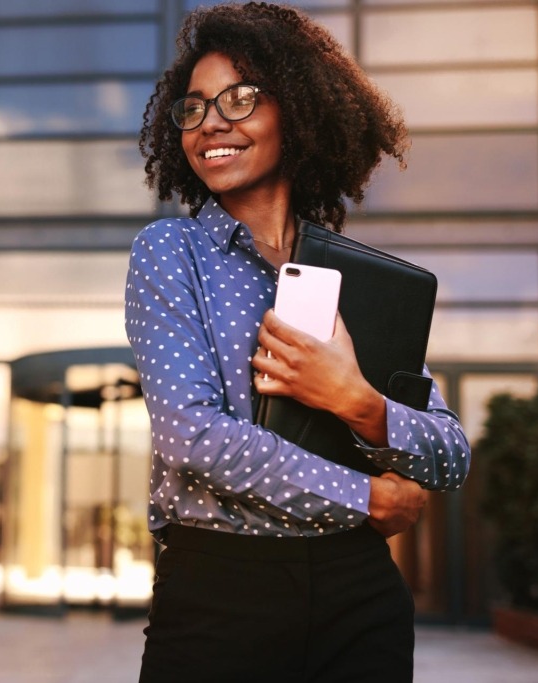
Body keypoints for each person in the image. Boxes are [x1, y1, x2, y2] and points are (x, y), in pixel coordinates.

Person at [124, 3, 470, 682]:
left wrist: (358, 400)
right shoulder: (170, 253)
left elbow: (450, 452)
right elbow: (191, 435)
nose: (212, 122)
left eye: (241, 98)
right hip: (221, 594)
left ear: (299, 110)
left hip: (361, 595)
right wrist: (368, 496)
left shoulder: (358, 281)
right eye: (192, 108)